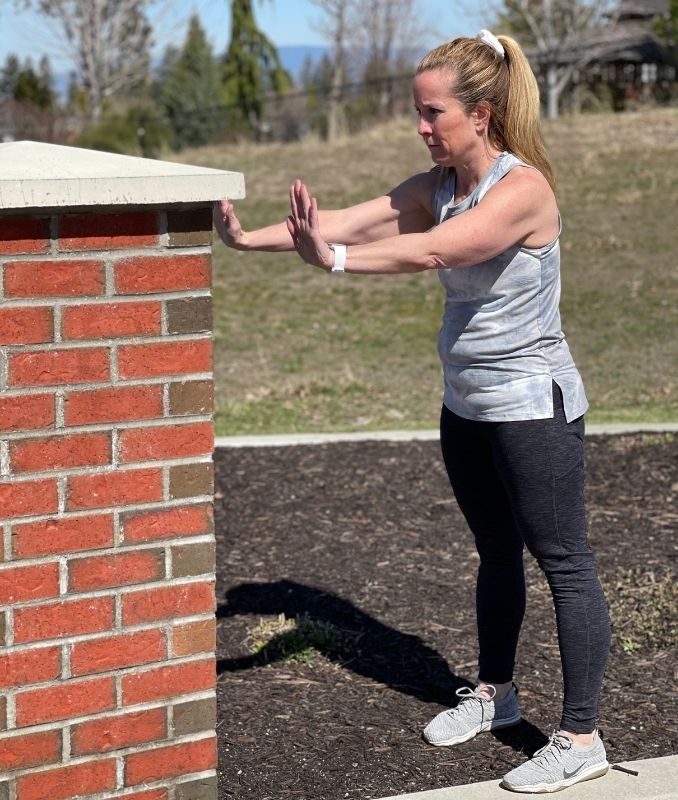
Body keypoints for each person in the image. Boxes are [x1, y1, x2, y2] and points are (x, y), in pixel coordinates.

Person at [214, 29, 612, 794]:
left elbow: (436, 251)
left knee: (564, 563)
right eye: (417, 113)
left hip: (533, 404)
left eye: (433, 113)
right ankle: (496, 696)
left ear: (483, 113)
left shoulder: (523, 189)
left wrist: (329, 262)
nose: (421, 127)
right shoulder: (438, 182)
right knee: (496, 554)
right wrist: (248, 240)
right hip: (466, 404)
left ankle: (581, 735)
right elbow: (351, 222)